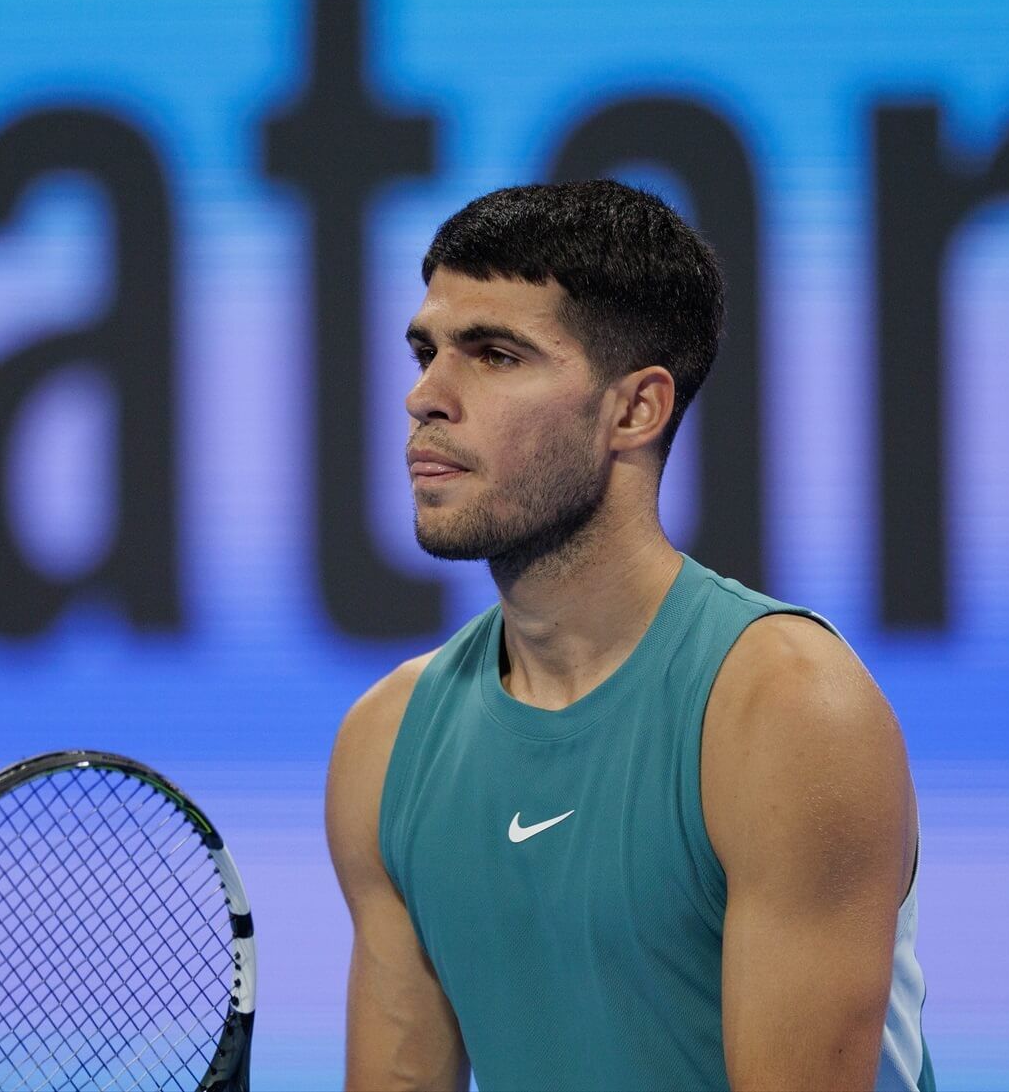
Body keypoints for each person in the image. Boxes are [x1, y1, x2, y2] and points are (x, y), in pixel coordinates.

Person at [324, 181, 935, 1091]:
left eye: (494, 354)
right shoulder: (385, 742)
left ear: (636, 409)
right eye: (425, 351)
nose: (425, 396)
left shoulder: (788, 708)